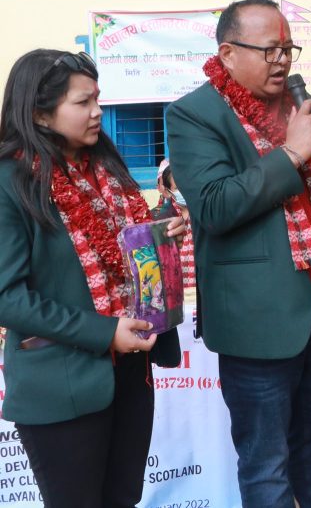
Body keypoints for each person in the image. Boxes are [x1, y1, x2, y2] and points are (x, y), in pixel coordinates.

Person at [166, 0, 311, 507]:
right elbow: (214, 206)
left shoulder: (296, 99)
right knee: (266, 462)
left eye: (288, 49)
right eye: (269, 50)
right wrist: (292, 153)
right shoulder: (193, 115)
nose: (281, 61)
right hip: (255, 319)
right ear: (227, 53)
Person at [0, 49, 182, 508]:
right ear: (40, 113)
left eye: (97, 98)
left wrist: (156, 238)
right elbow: (7, 298)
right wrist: (104, 332)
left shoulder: (104, 169)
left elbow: (118, 253)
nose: (98, 111)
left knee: (123, 499)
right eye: (83, 102)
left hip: (130, 373)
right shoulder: (11, 182)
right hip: (61, 381)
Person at [163, 165, 197, 288]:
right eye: (178, 188)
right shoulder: (165, 220)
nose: (185, 191)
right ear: (169, 192)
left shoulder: (205, 215)